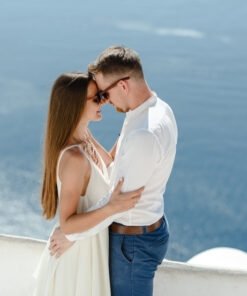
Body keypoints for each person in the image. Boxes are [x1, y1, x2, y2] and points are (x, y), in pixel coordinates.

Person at [50, 46, 178, 296]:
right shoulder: (157, 110)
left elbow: (118, 203)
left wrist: (71, 235)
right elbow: (114, 166)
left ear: (123, 86)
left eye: (104, 93)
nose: (105, 101)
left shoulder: (143, 135)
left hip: (132, 245)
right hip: (147, 231)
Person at [33, 72, 144, 296]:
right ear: (75, 105)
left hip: (89, 250)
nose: (103, 100)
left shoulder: (84, 136)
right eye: (97, 97)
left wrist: (133, 121)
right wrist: (112, 207)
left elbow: (111, 161)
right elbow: (68, 225)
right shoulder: (74, 158)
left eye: (102, 95)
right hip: (77, 262)